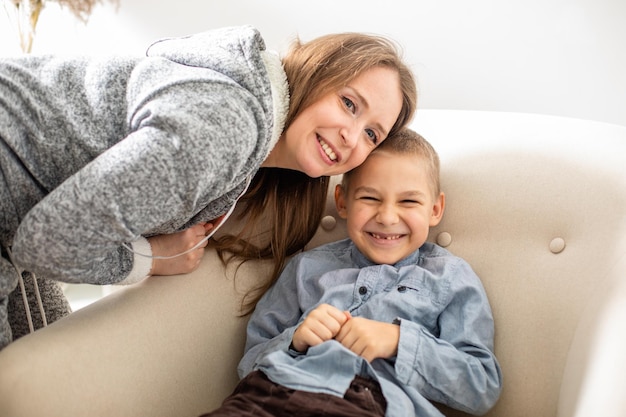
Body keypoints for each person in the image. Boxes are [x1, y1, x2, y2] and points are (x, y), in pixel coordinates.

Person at [0, 25, 417, 349]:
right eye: (348, 103)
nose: (351, 136)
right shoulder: (227, 126)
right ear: (315, 71)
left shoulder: (249, 133)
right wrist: (150, 259)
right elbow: (50, 242)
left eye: (372, 135)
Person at [202, 129, 502, 417]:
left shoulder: (449, 277)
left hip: (371, 402)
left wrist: (398, 341)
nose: (386, 217)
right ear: (343, 201)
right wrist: (296, 339)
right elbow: (248, 364)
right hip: (272, 392)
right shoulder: (306, 268)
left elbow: (481, 387)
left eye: (408, 201)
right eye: (370, 198)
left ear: (435, 209)